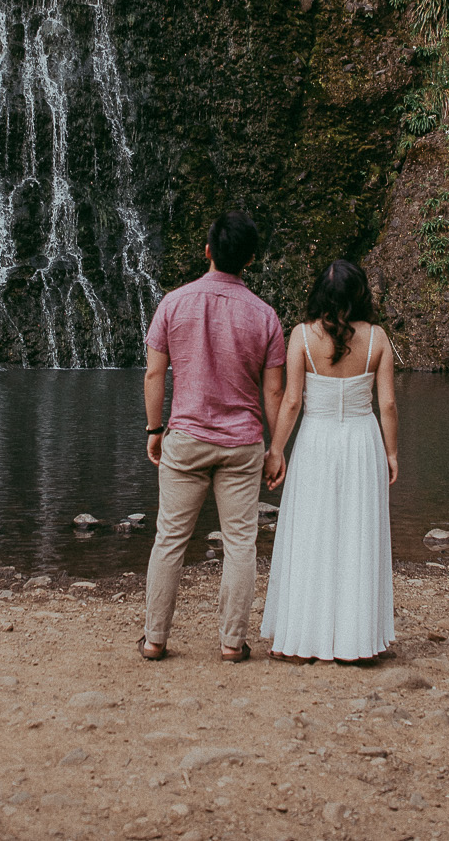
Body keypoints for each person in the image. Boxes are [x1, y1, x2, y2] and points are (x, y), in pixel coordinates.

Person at [139, 211, 286, 663]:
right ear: (251, 260)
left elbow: (154, 372)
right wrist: (276, 447)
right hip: (242, 443)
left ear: (207, 251)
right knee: (241, 543)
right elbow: (275, 389)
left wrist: (155, 429)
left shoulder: (173, 303)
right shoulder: (265, 315)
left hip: (185, 435)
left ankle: (154, 640)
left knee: (169, 538)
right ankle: (230, 642)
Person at [259, 258, 398, 663]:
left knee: (312, 532)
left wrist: (276, 450)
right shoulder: (378, 339)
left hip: (316, 440)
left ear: (320, 293)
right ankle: (357, 640)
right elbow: (386, 403)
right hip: (361, 441)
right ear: (360, 296)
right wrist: (391, 452)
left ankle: (305, 638)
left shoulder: (301, 336)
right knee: (358, 532)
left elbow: (291, 400)